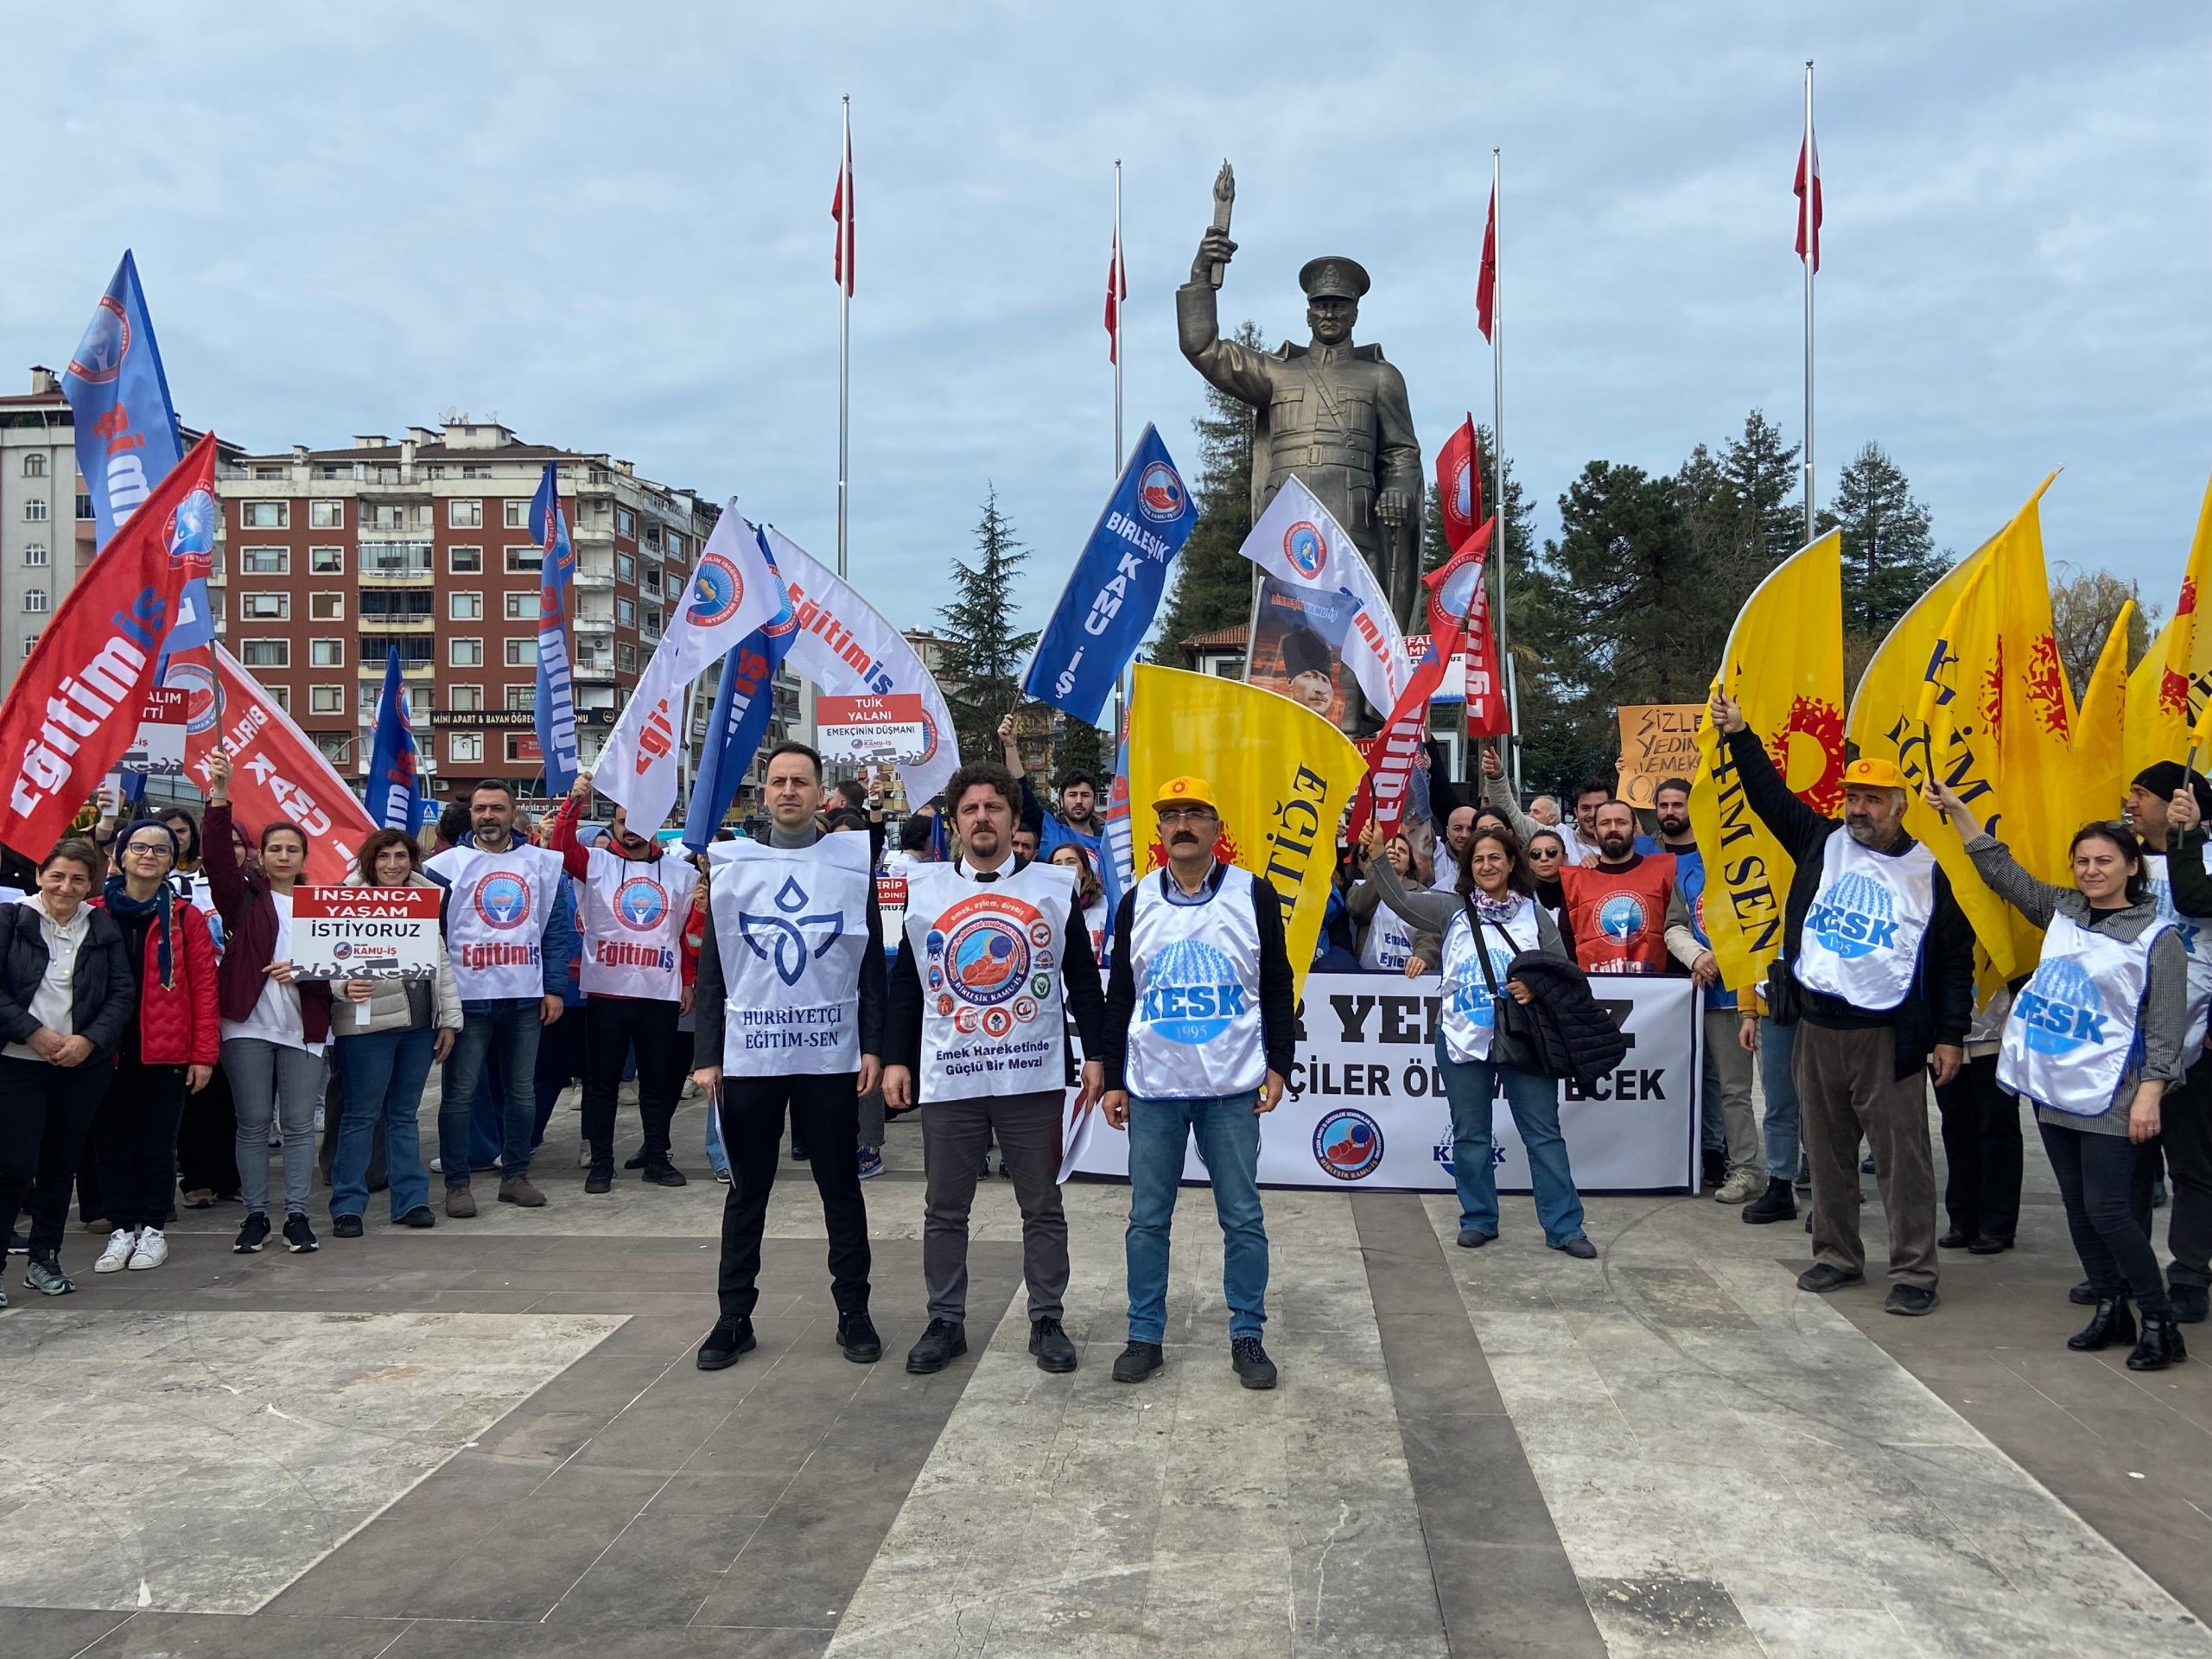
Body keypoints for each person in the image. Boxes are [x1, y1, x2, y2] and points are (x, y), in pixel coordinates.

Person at [1712, 689, 1971, 1316]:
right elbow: (1770, 798)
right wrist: (1742, 735)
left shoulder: (1929, 871)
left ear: (1899, 808)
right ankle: (1836, 1254)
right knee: (1825, 1152)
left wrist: (1950, 1035)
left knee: (1900, 1160)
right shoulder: (1822, 842)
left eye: (1872, 799)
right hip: (1818, 1025)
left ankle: (1913, 1270)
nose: (1859, 808)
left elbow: (1953, 958)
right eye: (1853, 796)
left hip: (1889, 1035)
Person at [1926, 778, 2190, 1369]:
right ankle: (2110, 1305)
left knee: (2109, 1209)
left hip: (2118, 1094)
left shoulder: (2158, 937)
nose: (2092, 871)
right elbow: (2003, 872)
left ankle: (2160, 1319)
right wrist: (1963, 816)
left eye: (2104, 861)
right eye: (2083, 862)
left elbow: (2167, 1025)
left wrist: (2151, 1094)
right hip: (2054, 1086)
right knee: (2076, 1204)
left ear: (2131, 867)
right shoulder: (2064, 910)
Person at [884, 760, 1106, 1376]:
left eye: (994, 807)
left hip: (1030, 1073)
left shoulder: (1050, 887)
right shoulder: (926, 891)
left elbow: (1081, 982)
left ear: (1013, 819)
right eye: (970, 809)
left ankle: (1047, 1319)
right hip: (950, 1074)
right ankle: (945, 1320)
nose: (983, 818)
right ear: (954, 823)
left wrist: (1097, 1056)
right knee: (945, 1207)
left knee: (1041, 1204)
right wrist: (898, 1058)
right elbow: (908, 984)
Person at [693, 741, 886, 1370]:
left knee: (841, 1190)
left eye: (800, 781)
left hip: (831, 1055)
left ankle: (854, 1312)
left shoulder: (852, 863)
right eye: (778, 781)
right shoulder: (733, 866)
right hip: (751, 1054)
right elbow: (715, 970)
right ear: (764, 791)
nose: (788, 792)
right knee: (747, 1191)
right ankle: (733, 1317)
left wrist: (875, 1046)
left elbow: (869, 969)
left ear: (818, 791)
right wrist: (708, 1054)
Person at [1100, 776, 1294, 1388]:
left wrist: (1279, 1062)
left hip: (1230, 1085)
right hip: (1154, 1085)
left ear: (1216, 828)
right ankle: (1144, 1334)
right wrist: (1111, 1076)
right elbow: (1120, 994)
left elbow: (1275, 983)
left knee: (1242, 1216)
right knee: (1146, 1218)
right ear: (1158, 831)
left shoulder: (1252, 894)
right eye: (1171, 815)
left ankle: (1247, 1334)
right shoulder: (1136, 900)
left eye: (1195, 814)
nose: (1182, 824)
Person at [1363, 819, 1599, 1257]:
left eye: (1496, 857)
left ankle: (1565, 1228)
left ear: (1512, 862)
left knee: (1543, 1134)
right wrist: (1379, 856)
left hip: (1525, 1038)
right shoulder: (1448, 908)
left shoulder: (1537, 915)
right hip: (1461, 1037)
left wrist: (1536, 987)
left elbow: (1564, 973)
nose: (1487, 865)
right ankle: (1478, 1218)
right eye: (1478, 858)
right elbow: (1397, 900)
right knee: (1470, 1134)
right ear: (1469, 866)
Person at [423, 780, 576, 1216]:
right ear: (470, 815)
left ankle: (515, 1175)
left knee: (522, 1093)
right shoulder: (445, 866)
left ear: (514, 813)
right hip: (467, 1001)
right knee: (460, 1094)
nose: (487, 816)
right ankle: (457, 1183)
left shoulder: (544, 865)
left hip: (525, 998)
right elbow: (429, 934)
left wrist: (554, 988)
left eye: (496, 808)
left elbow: (554, 930)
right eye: (480, 809)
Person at [204, 751, 335, 1256]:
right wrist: (220, 794)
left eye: (292, 849)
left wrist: (304, 971)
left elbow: (337, 970)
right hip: (247, 1027)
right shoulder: (241, 898)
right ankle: (256, 1215)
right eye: (274, 848)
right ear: (259, 855)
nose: (282, 856)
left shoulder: (323, 906)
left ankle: (297, 1216)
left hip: (306, 1027)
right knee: (254, 1123)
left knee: (301, 1125)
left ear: (305, 858)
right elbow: (216, 855)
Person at [0, 839, 137, 1300]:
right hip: (17, 1063)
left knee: (61, 1165)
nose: (66, 886)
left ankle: (44, 1259)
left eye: (78, 878)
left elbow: (121, 993)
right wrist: (31, 1032)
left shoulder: (100, 925)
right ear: (40, 875)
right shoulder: (10, 919)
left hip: (80, 1065)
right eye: (57, 876)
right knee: (14, 1168)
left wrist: (90, 1040)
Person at [550, 773, 699, 1192]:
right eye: (620, 823)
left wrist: (687, 981)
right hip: (606, 991)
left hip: (660, 993)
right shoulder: (596, 863)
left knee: (658, 1081)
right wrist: (573, 803)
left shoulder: (680, 874)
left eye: (637, 823)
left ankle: (657, 1157)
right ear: (613, 825)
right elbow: (561, 849)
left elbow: (684, 933)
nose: (629, 831)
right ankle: (601, 1164)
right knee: (602, 1084)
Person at [89, 820, 219, 1274]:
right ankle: (122, 1228)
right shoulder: (93, 911)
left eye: (160, 849)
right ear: (121, 855)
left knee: (157, 1143)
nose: (148, 855)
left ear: (172, 860)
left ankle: (152, 1229)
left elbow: (204, 988)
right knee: (110, 1141)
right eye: (138, 847)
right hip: (103, 1047)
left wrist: (203, 1054)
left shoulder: (185, 916)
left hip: (164, 1049)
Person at [327, 830, 460, 1236]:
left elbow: (441, 959)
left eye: (401, 856)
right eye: (383, 856)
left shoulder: (426, 897)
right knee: (360, 1117)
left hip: (419, 1026)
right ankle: (348, 1205)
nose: (393, 865)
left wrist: (450, 1019)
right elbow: (328, 956)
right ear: (369, 860)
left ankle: (411, 1200)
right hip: (366, 1026)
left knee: (405, 1116)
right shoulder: (343, 899)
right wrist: (342, 986)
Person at [2127, 764, 2212, 1323]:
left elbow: (2195, 900)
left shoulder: (2203, 858)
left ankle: (2187, 1277)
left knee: (2193, 1168)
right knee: (2126, 1170)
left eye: (2140, 795)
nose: (2129, 804)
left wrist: (2188, 838)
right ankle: (2126, 1270)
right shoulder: (2122, 862)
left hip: (2196, 1045)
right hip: (2128, 1049)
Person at [1657, 777, 1763, 1202]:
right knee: (1724, 1089)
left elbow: (1765, 921)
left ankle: (1777, 1169)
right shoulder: (1692, 869)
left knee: (1768, 1092)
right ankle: (1741, 1168)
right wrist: (1697, 957)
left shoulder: (1757, 862)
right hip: (1709, 996)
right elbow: (1675, 925)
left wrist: (1727, 954)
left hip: (1756, 992)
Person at [1933, 986, 2021, 1253]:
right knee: (1955, 1124)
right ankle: (1963, 1218)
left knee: (1997, 1127)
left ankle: (1998, 1224)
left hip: (1997, 1027)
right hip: (1944, 1030)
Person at [1554, 800, 1676, 976]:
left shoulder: (1664, 871)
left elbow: (1677, 928)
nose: (1613, 829)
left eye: (1621, 822)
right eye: (1605, 823)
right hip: (1595, 989)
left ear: (1635, 830)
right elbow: (1566, 938)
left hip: (1657, 989)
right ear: (1595, 832)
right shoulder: (1575, 879)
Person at [999, 712, 1106, 868]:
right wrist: (1010, 744)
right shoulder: (1046, 828)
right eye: (1072, 795)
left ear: (1094, 800)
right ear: (1061, 799)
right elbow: (1020, 790)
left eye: (1085, 795)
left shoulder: (1108, 841)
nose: (1078, 801)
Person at [1347, 832, 1438, 975]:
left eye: (1402, 851)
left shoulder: (1422, 892)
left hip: (1410, 976)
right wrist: (1382, 868)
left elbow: (1429, 932)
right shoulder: (1361, 886)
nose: (1395, 852)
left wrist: (1423, 956)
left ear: (1409, 865)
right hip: (1367, 977)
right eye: (1388, 850)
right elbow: (1357, 910)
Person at [1052, 843, 1110, 972]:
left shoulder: (1107, 907)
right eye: (1057, 864)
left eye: (1071, 862)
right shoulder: (1045, 910)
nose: (1064, 868)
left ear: (1085, 871)